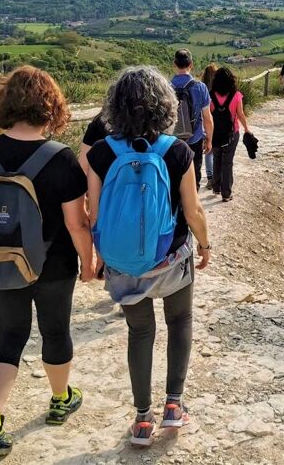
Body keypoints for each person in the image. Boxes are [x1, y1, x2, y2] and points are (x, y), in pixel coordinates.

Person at [0, 66, 93, 458]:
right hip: (55, 264)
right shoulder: (61, 158)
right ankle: (60, 399)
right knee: (55, 331)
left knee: (10, 336)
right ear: (51, 106)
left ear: (6, 103)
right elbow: (77, 223)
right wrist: (88, 263)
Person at [86, 66, 211, 446]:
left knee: (139, 331)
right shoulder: (176, 150)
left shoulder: (101, 153)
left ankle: (142, 420)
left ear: (115, 106)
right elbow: (193, 211)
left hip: (122, 261)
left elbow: (92, 211)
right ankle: (174, 406)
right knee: (180, 320)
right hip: (171, 257)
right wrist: (204, 246)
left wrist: (95, 256)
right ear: (164, 105)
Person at [171, 50, 213, 190]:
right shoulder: (201, 87)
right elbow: (207, 118)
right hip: (195, 139)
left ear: (174, 65)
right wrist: (209, 139)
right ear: (191, 65)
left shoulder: (165, 88)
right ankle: (192, 205)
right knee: (194, 176)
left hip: (172, 141)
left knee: (174, 177)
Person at [209, 67, 251, 202]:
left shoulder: (210, 95)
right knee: (227, 162)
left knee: (216, 158)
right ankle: (226, 193)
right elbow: (240, 114)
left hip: (214, 133)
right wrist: (247, 129)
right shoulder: (236, 95)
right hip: (231, 133)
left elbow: (207, 116)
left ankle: (216, 187)